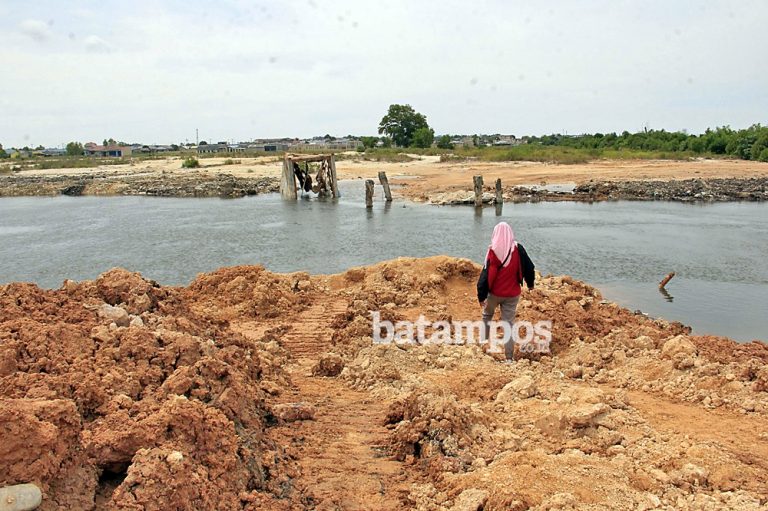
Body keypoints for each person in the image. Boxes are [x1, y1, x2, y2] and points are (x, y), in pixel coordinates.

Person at [479, 221, 535, 360]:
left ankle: (483, 346)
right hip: (512, 295)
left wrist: (481, 296)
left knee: (487, 316)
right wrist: (530, 284)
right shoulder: (518, 249)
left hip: (494, 294)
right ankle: (509, 358)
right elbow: (529, 268)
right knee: (508, 324)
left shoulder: (492, 251)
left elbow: (485, 275)